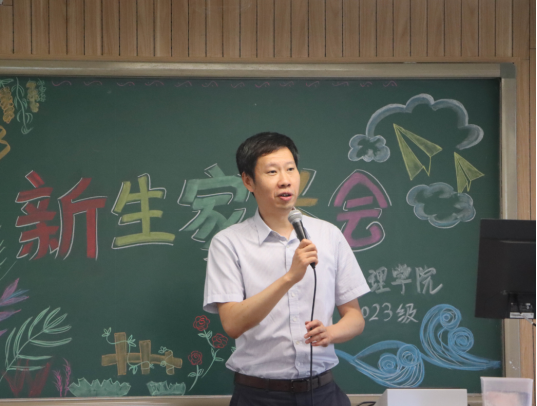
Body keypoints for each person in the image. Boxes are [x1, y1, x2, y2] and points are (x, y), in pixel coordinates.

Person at [203, 132, 370, 406]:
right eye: (272, 172)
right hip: (259, 396)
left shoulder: (329, 235)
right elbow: (232, 324)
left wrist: (331, 333)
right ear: (248, 181)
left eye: (290, 169)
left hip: (323, 393)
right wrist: (290, 277)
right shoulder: (229, 243)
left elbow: (355, 317)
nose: (285, 180)